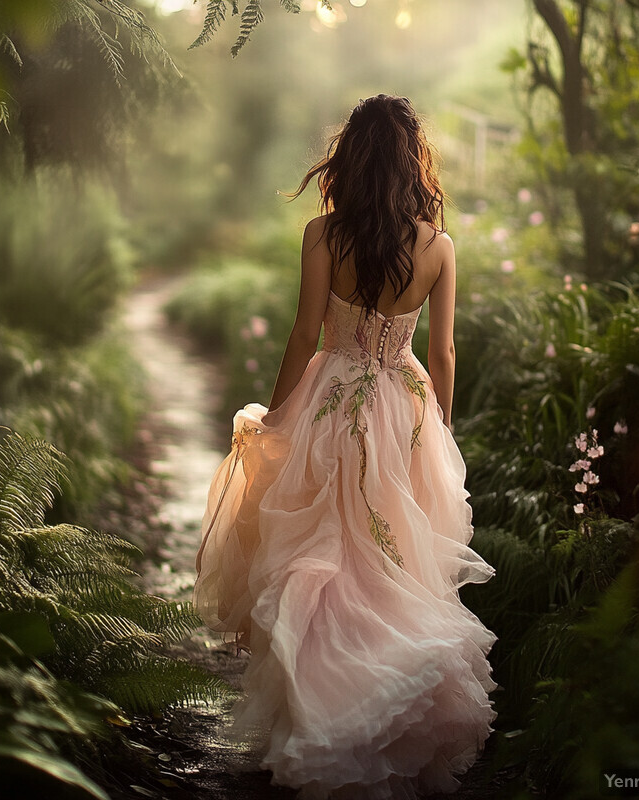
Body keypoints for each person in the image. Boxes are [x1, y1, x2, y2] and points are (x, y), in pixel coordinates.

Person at [193, 94, 498, 800]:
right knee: (390, 561)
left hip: (327, 403)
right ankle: (384, 711)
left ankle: (316, 713)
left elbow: (306, 335)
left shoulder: (322, 235)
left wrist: (276, 417)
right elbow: (445, 352)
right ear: (411, 163)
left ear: (349, 161)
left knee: (318, 559)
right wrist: (440, 435)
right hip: (405, 410)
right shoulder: (439, 247)